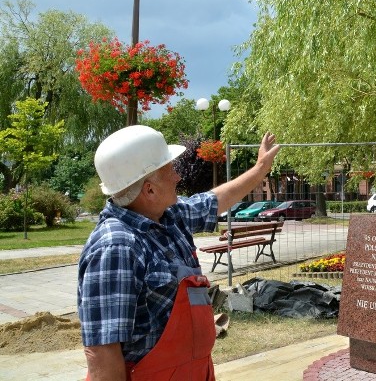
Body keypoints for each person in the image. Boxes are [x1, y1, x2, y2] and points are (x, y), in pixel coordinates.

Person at [77, 125, 281, 381]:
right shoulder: (116, 246)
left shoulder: (169, 216)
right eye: (169, 170)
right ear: (149, 189)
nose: (177, 177)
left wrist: (260, 168)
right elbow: (103, 359)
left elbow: (215, 199)